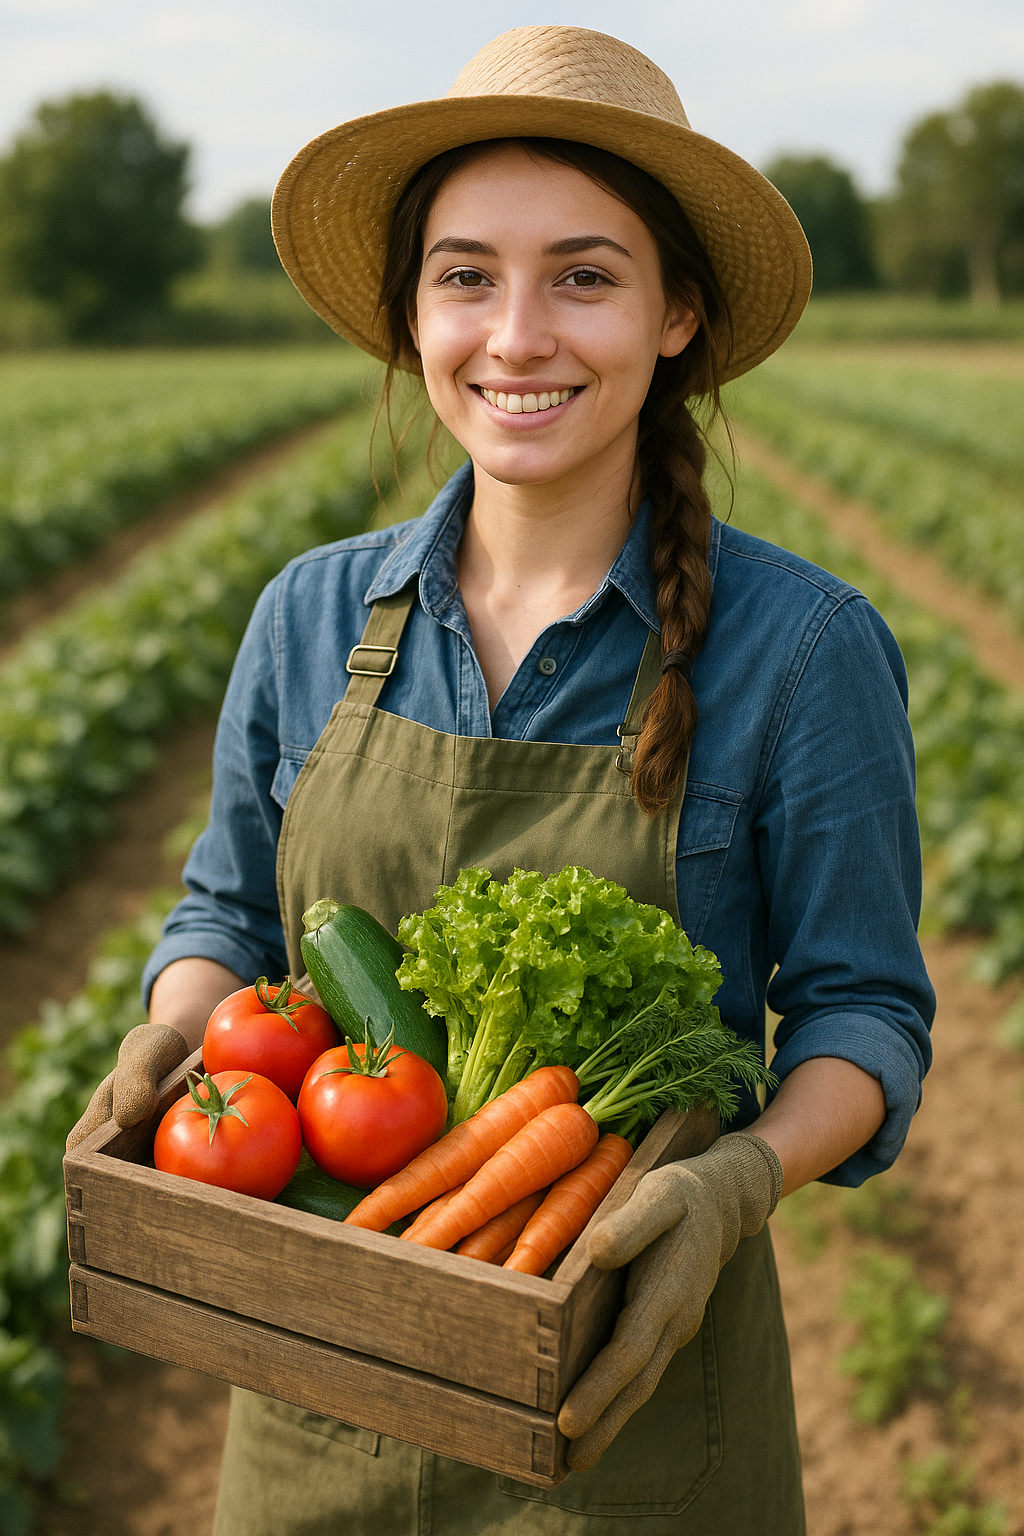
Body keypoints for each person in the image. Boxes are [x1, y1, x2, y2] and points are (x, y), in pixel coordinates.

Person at [69, 25, 934, 1534]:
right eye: (466, 275)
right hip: (316, 1391)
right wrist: (180, 1041)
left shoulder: (803, 649)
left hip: (637, 1407)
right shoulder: (309, 618)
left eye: (584, 277)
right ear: (415, 316)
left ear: (676, 316)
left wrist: (736, 1180)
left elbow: (863, 1012)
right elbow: (226, 918)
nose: (517, 336)